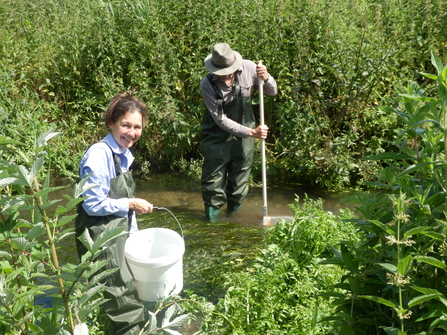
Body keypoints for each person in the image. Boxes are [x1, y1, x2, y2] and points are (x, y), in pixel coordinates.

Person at [75, 93, 153, 335]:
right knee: (119, 294)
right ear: (111, 123)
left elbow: (121, 202)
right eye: (125, 125)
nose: (131, 132)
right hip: (101, 236)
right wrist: (129, 203)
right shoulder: (99, 155)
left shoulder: (123, 153)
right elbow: (92, 204)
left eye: (137, 127)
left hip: (118, 232)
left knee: (127, 286)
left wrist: (134, 235)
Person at [200, 43, 277, 222]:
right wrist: (251, 132)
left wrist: (266, 78)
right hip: (216, 135)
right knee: (213, 181)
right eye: (219, 72)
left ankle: (233, 221)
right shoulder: (207, 84)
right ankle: (212, 224)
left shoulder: (250, 68)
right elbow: (220, 120)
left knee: (240, 178)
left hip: (244, 135)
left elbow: (272, 92)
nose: (223, 75)